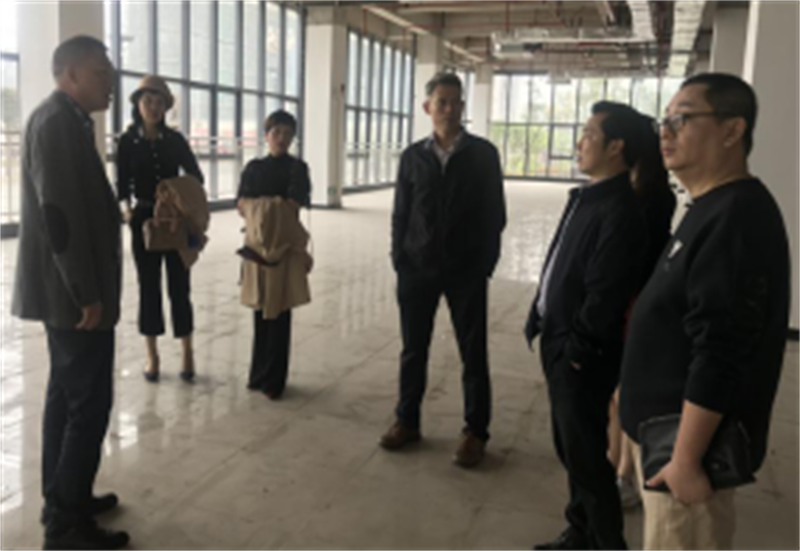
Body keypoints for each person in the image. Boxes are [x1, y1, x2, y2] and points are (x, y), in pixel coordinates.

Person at [620, 73, 791, 550]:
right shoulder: (708, 206)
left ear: (733, 130)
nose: (665, 132)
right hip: (660, 436)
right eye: (664, 120)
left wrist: (686, 460)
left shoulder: (736, 219)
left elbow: (721, 350)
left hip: (681, 455)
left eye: (682, 119)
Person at [11, 36, 130, 550]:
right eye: (102, 73)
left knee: (66, 396)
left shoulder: (69, 120)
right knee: (88, 404)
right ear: (71, 74)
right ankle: (65, 525)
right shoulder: (56, 123)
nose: (111, 83)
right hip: (73, 298)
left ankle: (64, 496)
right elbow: (59, 217)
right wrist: (86, 293)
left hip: (68, 293)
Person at [524, 102, 648, 551]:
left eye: (590, 134)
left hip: (580, 354)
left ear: (616, 146)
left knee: (588, 458)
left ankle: (607, 542)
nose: (580, 142)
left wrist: (574, 352)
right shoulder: (588, 197)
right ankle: (580, 532)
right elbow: (560, 263)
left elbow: (604, 295)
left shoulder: (619, 210)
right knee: (574, 449)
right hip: (559, 339)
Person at [380, 72, 506, 469]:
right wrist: (400, 259)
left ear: (463, 106)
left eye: (456, 102)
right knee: (413, 349)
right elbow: (401, 213)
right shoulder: (413, 157)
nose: (449, 109)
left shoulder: (482, 154)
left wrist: (484, 263)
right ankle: (407, 421)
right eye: (442, 102)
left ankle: (475, 432)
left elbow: (495, 214)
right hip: (417, 268)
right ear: (427, 107)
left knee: (473, 352)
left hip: (466, 269)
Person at [607, 113, 677, 509]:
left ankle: (624, 475)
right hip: (629, 300)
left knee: (624, 392)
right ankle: (614, 465)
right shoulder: (637, 190)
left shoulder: (649, 197)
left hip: (635, 303)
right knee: (615, 394)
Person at [116, 75, 204, 383]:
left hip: (176, 219)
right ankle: (152, 354)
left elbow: (196, 176)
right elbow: (121, 184)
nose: (153, 107)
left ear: (166, 107)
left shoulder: (175, 140)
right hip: (143, 220)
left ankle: (187, 351)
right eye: (147, 101)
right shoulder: (127, 141)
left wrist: (174, 192)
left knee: (180, 286)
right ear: (138, 105)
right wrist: (127, 212)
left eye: (159, 102)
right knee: (148, 287)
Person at [237, 110, 311, 400]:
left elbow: (294, 206)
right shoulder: (254, 168)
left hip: (283, 247)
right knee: (259, 309)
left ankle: (275, 380)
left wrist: (260, 207)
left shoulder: (298, 169)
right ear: (266, 135)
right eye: (276, 132)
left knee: (279, 311)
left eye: (287, 133)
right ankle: (258, 374)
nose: (281, 138)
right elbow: (241, 204)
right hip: (256, 247)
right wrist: (272, 205)